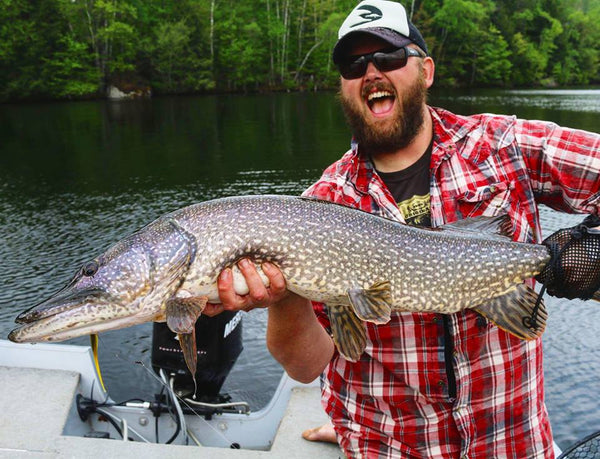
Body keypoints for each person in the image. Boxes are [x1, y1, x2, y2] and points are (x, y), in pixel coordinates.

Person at [202, 1, 600, 457]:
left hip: (514, 444)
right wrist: (285, 295)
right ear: (344, 86)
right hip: (387, 446)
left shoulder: (503, 146)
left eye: (389, 57)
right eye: (354, 64)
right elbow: (307, 366)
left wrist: (590, 252)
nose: (371, 71)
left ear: (425, 70)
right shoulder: (320, 205)